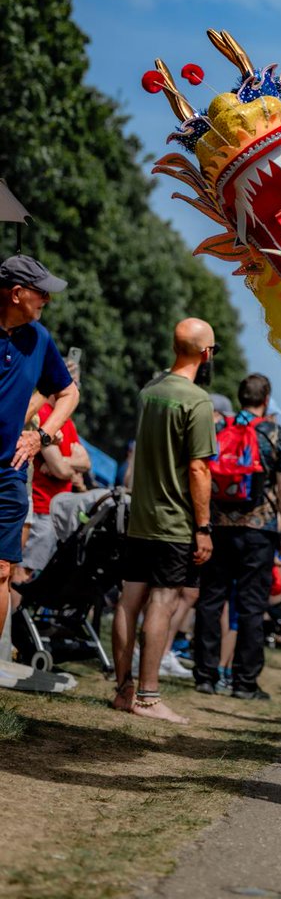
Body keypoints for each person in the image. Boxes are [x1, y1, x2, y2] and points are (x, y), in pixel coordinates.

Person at [111, 318, 217, 723]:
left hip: (140, 514)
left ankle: (124, 690)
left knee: (129, 599)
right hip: (174, 520)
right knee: (162, 600)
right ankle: (150, 697)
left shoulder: (150, 392)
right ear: (206, 353)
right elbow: (198, 470)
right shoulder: (197, 401)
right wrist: (203, 527)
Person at [193, 372, 281, 701]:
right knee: (251, 607)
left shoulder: (220, 427)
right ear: (266, 400)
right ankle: (244, 683)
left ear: (241, 397)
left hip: (219, 526)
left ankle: (205, 677)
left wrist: (202, 523)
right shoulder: (276, 434)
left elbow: (203, 472)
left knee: (211, 601)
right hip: (259, 531)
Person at [0, 255, 79, 643]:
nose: (47, 300)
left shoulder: (39, 338)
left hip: (8, 473)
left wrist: (40, 436)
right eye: (41, 293)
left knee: (1, 571)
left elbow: (67, 392)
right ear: (17, 294)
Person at [17, 386, 91, 582]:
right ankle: (14, 613)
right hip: (41, 505)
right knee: (20, 570)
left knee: (25, 571)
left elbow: (86, 463)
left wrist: (64, 464)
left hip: (50, 510)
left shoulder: (67, 422)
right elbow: (61, 470)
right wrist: (66, 467)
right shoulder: (43, 413)